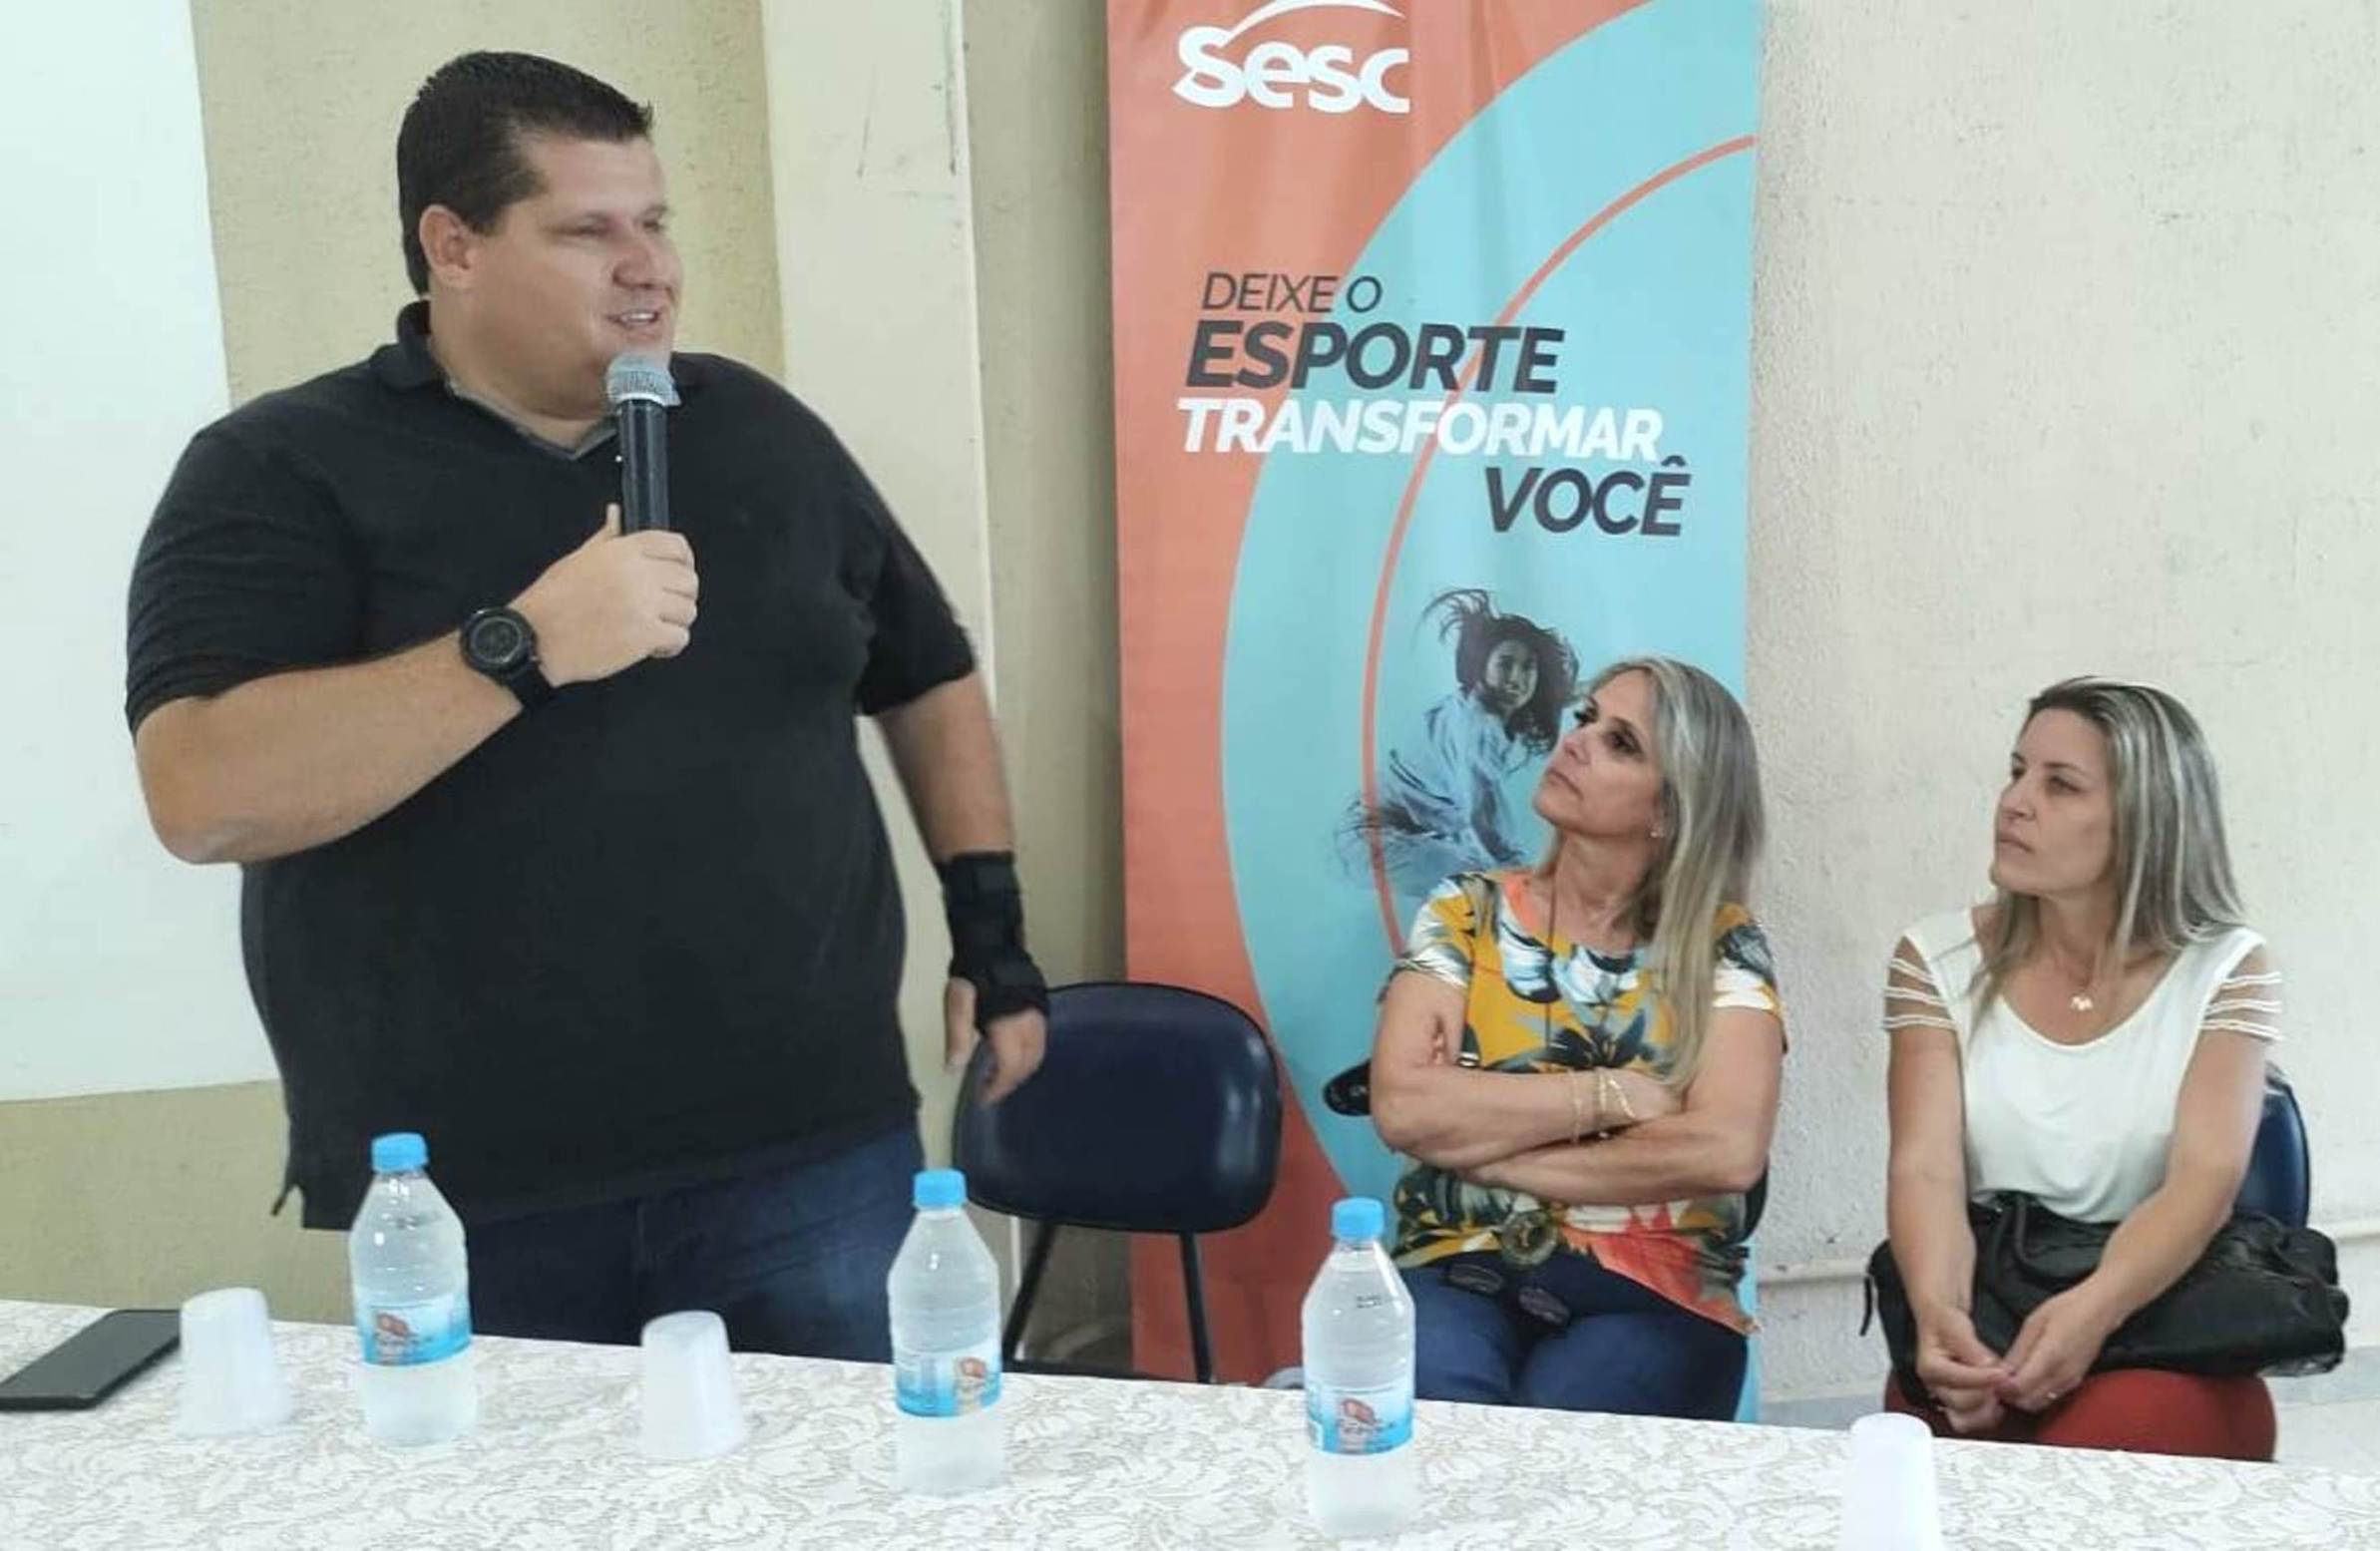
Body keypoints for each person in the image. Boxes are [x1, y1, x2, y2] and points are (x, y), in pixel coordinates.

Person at [123, 52, 1048, 1359]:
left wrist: (993, 937)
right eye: (587, 231)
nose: (649, 267)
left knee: (857, 1469)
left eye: (655, 221)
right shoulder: (280, 469)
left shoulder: (759, 430)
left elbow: (927, 673)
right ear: (453, 245)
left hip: (812, 1148)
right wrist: (522, 646)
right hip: (472, 1186)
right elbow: (203, 795)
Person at [1366, 656, 1783, 1418]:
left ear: (1671, 809)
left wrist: (1491, 1152)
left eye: (1621, 742)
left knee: (1562, 1431)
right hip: (1459, 1268)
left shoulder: (1722, 945)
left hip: (1656, 1292)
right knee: (1440, 1407)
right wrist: (1614, 1095)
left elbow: (1725, 1149)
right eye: (1586, 717)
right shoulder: (1465, 911)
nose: (1577, 741)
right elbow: (1403, 1105)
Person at [1881, 677, 2281, 1458]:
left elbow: (2204, 1181)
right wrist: (1940, 1317)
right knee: (1920, 1445)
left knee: (2103, 1446)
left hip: (2162, 1319)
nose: (2014, 802)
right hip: (1995, 1300)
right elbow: (1924, 1168)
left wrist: (2093, 1310)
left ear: (2144, 819)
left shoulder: (2229, 967)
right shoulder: (1933, 957)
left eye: (2059, 784)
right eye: (2016, 771)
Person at [1350, 588, 1578, 909]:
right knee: (1487, 886)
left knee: (1488, 884)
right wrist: (1522, 875)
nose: (1516, 678)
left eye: (1528, 667)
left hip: (1410, 837)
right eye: (1505, 664)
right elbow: (1484, 818)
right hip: (1375, 839)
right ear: (1481, 665)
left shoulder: (1482, 714)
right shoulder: (1475, 724)